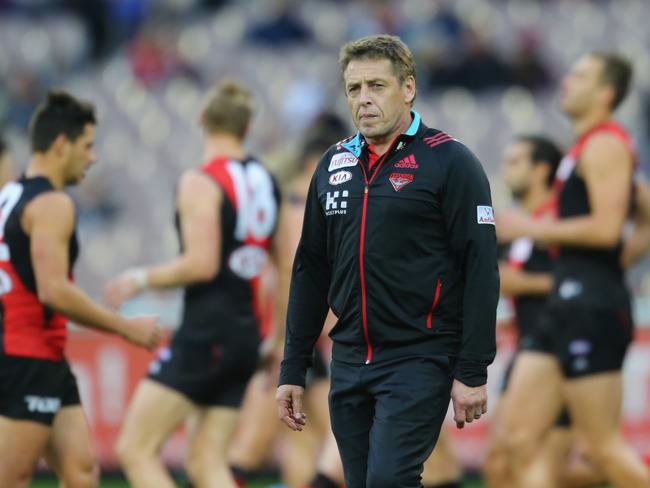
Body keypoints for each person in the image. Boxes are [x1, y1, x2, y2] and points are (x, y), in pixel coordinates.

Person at [276, 34, 499, 488]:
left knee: (389, 480)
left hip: (421, 356)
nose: (364, 100)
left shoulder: (450, 161)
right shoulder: (332, 164)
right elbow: (310, 269)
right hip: (350, 357)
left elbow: (480, 267)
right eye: (354, 89)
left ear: (408, 88)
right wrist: (292, 368)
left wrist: (472, 369)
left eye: (377, 86)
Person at [105, 80, 281, 488]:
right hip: (246, 334)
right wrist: (278, 336)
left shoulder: (200, 181)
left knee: (135, 449)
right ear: (246, 127)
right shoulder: (266, 182)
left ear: (201, 119)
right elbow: (287, 266)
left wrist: (140, 278)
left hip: (207, 331)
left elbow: (201, 264)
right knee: (206, 463)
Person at [497, 52, 650, 487]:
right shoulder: (584, 149)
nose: (566, 82)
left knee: (599, 448)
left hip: (589, 307)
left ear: (605, 93)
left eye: (580, 76)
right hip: (565, 305)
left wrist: (531, 226)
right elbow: (634, 219)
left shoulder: (605, 144)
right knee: (516, 440)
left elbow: (605, 229)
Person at [0, 90, 162, 488]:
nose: (93, 158)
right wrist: (125, 327)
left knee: (82, 472)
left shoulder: (10, 194)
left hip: (41, 356)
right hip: (28, 357)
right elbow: (53, 291)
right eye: (87, 146)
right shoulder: (53, 204)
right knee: (11, 478)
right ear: (61, 144)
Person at [229, 114, 347, 488]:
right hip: (298, 340)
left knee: (307, 441)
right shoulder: (305, 202)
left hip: (299, 339)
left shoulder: (297, 202)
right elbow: (296, 275)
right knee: (250, 449)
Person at [485, 135, 607, 488]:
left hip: (558, 348)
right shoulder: (518, 225)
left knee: (535, 461)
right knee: (500, 461)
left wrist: (523, 283)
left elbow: (586, 281)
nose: (506, 170)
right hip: (529, 348)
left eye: (515, 161)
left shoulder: (559, 222)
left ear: (541, 170)